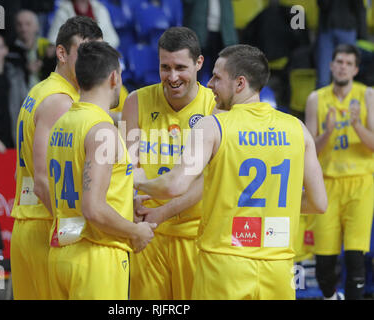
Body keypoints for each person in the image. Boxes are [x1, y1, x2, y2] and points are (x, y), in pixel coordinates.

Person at [134, 44, 328, 300]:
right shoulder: (298, 129)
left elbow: (175, 186)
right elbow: (319, 203)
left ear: (240, 84)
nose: (210, 84)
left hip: (223, 265)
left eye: (216, 77)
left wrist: (140, 183)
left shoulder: (212, 126)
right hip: (278, 267)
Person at [47, 40, 156, 300]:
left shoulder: (63, 122)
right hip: (96, 257)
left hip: (61, 254)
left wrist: (125, 202)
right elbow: (93, 208)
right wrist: (135, 231)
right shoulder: (102, 130)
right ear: (114, 77)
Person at [10, 16, 103, 300]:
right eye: (84, 54)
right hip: (47, 228)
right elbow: (41, 182)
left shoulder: (38, 92)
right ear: (61, 53)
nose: (93, 64)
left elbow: (21, 175)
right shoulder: (62, 102)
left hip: (28, 224)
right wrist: (75, 231)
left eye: (97, 55)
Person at [121, 26, 217, 300]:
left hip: (197, 235)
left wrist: (162, 212)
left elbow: (209, 181)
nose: (172, 77)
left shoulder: (215, 106)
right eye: (165, 67)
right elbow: (128, 169)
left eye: (180, 67)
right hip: (149, 236)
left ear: (199, 63)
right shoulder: (136, 101)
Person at [305, 43, 374, 300]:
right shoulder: (316, 99)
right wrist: (329, 131)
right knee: (324, 262)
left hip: (361, 183)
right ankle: (332, 296)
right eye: (339, 62)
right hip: (327, 184)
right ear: (331, 65)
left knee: (356, 257)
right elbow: (310, 149)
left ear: (355, 69)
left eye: (348, 63)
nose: (343, 67)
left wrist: (356, 125)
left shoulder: (368, 95)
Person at [315, 0, 367, 88]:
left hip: (348, 29)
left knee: (349, 73)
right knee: (323, 78)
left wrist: (362, 34)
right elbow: (323, 4)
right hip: (327, 29)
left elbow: (359, 6)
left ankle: (349, 101)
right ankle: (323, 101)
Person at [9, 9, 56, 87]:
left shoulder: (47, 46)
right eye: (19, 24)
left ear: (37, 27)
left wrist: (49, 59)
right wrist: (26, 69)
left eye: (28, 24)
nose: (23, 29)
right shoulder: (9, 50)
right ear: (15, 27)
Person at [47, 0, 119, 49]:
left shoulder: (100, 9)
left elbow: (113, 40)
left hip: (98, 61)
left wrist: (97, 45)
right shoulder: (63, 12)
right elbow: (54, 42)